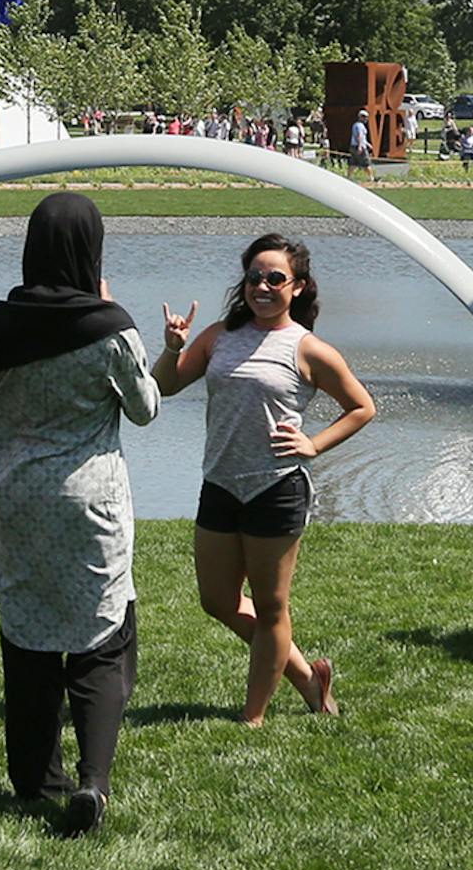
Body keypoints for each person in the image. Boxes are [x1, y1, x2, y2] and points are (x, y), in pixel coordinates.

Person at [0, 196, 159, 833]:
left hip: (14, 496)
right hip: (87, 500)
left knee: (26, 633)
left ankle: (34, 780)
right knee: (101, 637)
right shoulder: (109, 328)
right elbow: (144, 408)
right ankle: (93, 783)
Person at [154, 233, 375, 725]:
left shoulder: (308, 348)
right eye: (254, 277)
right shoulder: (218, 336)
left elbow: (361, 407)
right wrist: (173, 348)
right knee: (217, 600)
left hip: (276, 488)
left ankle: (253, 716)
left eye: (275, 278)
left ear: (298, 287)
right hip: (220, 483)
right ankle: (306, 678)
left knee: (273, 608)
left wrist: (314, 443)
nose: (262, 286)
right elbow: (165, 386)